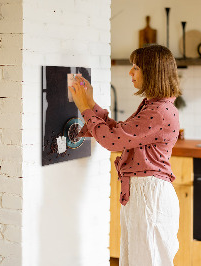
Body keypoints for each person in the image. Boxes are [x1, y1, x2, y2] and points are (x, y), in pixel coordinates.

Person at [69, 44, 181, 266]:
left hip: (149, 197)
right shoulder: (154, 106)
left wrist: (84, 108)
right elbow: (120, 133)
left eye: (136, 67)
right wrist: (90, 104)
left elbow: (112, 141)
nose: (131, 73)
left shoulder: (158, 111)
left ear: (152, 72)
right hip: (143, 195)